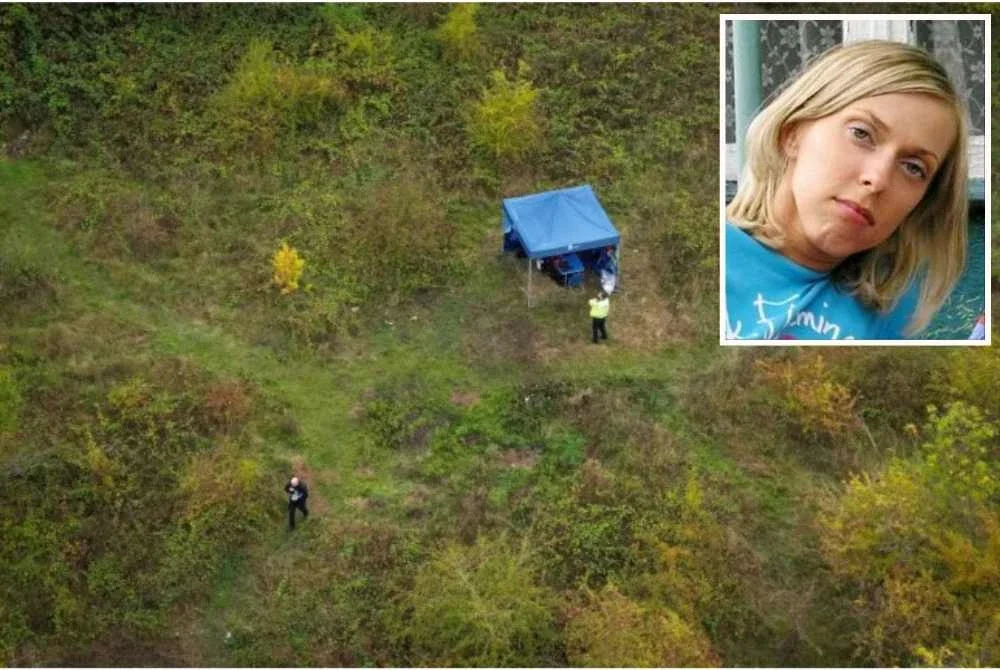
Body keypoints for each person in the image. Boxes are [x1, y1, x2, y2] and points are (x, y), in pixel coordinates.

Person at [725, 40, 970, 340]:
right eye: (861, 134)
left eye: (913, 168)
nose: (878, 180)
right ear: (792, 132)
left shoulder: (887, 310)